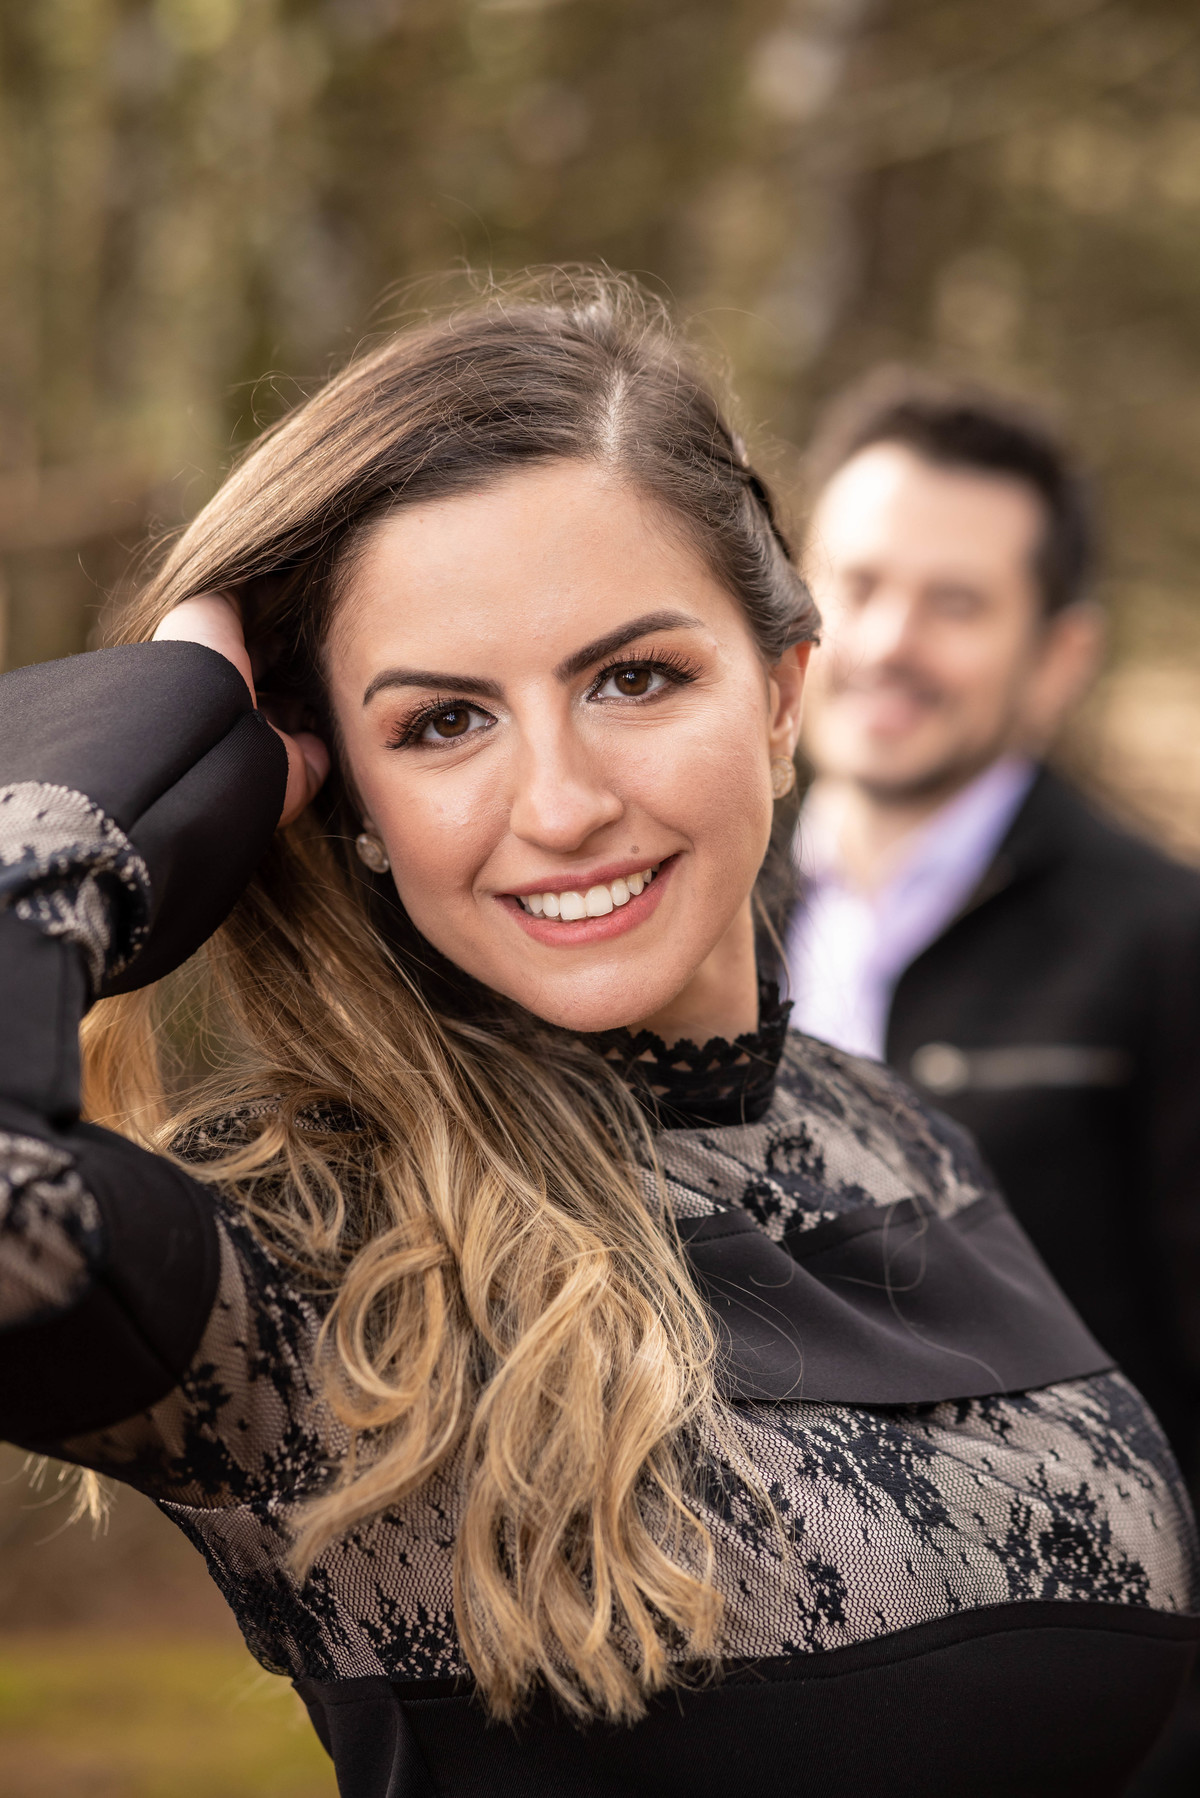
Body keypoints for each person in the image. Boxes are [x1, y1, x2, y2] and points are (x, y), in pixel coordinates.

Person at [0, 280, 1195, 1798]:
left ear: (783, 696)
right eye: (442, 722)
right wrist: (126, 757)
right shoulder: (305, 1257)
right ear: (340, 793)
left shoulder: (901, 1138)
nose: (561, 805)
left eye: (634, 678)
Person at [788, 372, 1200, 1511]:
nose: (887, 640)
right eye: (858, 584)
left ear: (1059, 659)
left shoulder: (1168, 947)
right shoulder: (680, 910)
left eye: (957, 604)